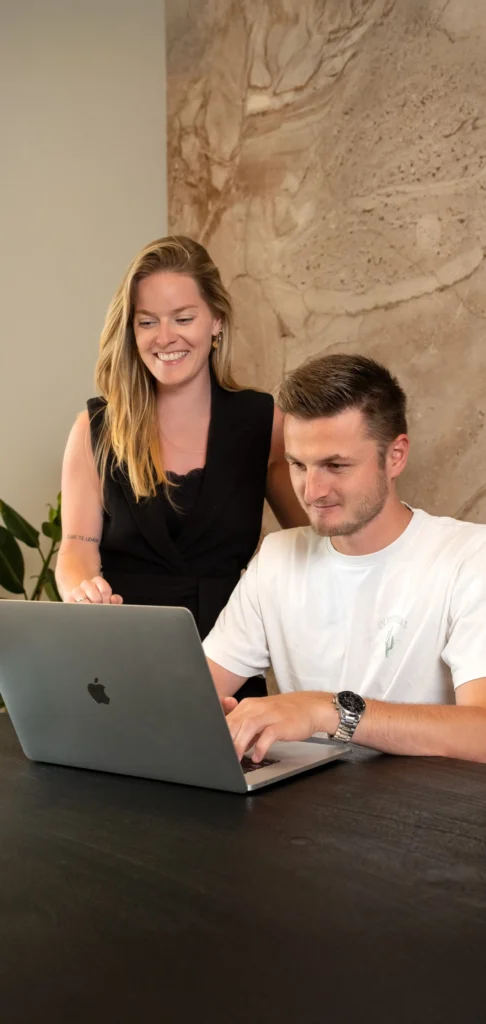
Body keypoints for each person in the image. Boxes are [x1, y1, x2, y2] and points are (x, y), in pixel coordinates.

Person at [56, 235, 307, 698]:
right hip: (116, 659)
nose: (165, 337)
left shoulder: (263, 422)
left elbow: (311, 541)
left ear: (216, 321)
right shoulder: (95, 428)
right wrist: (82, 590)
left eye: (183, 318)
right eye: (147, 321)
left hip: (230, 657)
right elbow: (76, 547)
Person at [203, 353, 486, 763]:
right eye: (298, 465)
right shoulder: (278, 558)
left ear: (395, 456)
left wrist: (328, 711)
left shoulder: (470, 556)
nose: (311, 491)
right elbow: (190, 695)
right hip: (302, 798)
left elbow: (481, 731)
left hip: (422, 801)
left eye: (335, 465)